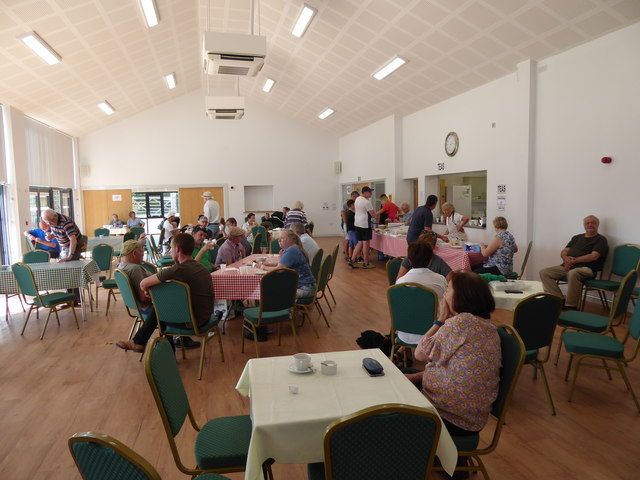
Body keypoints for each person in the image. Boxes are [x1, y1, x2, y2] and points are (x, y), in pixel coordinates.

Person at [407, 271, 501, 440]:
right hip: (471, 420)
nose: (444, 294)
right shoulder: (487, 327)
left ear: (461, 298)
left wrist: (441, 318)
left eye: (448, 290)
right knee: (401, 375)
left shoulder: (460, 323)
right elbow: (454, 369)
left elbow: (420, 353)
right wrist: (416, 377)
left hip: (448, 417)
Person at [115, 234, 212, 352]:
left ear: (178, 249)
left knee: (161, 309)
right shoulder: (200, 267)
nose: (170, 251)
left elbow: (143, 284)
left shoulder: (177, 270)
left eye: (171, 248)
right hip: (205, 317)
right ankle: (165, 351)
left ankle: (141, 343)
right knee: (164, 306)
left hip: (192, 322)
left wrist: (147, 290)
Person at [539, 215, 609, 310]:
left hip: (587, 269)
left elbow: (594, 256)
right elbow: (564, 251)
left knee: (573, 273)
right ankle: (559, 300)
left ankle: (571, 305)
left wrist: (574, 261)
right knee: (544, 272)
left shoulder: (601, 240)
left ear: (597, 225)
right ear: (584, 225)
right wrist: (566, 259)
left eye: (593, 223)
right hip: (568, 265)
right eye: (587, 223)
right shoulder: (576, 237)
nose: (590, 225)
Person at [395, 242, 447, 345]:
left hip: (404, 334)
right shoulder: (440, 280)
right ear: (430, 260)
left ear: (409, 260)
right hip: (432, 333)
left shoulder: (400, 282)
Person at [270, 229, 316, 298]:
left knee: (271, 291)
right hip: (308, 286)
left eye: (282, 238)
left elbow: (278, 269)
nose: (279, 241)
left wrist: (262, 267)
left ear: (290, 240)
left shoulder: (292, 250)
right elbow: (282, 264)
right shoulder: (295, 248)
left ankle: (285, 308)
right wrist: (266, 264)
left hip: (304, 288)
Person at [350, 186, 377, 269]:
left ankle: (352, 260)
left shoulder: (357, 199)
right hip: (365, 224)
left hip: (357, 223)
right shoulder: (366, 202)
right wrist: (378, 214)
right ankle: (366, 263)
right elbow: (373, 214)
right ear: (365, 192)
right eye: (370, 192)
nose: (371, 194)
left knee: (360, 242)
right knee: (366, 243)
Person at [341, 191, 359, 258]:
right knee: (347, 239)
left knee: (350, 241)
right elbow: (343, 213)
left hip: (351, 225)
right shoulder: (346, 204)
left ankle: (350, 255)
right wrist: (346, 224)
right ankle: (347, 254)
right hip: (348, 225)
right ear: (353, 196)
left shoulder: (355, 204)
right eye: (356, 197)